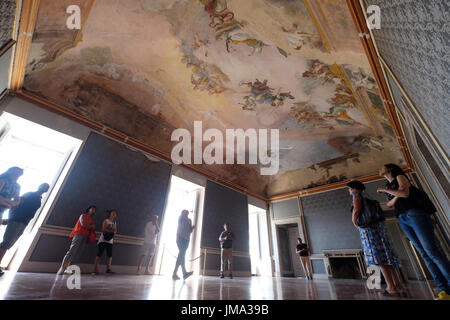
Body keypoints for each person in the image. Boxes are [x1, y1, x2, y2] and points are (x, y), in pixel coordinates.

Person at [377, 164, 450, 300]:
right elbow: (389, 204)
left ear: (390, 169)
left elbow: (405, 193)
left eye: (382, 167)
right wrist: (396, 194)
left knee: (432, 252)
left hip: (414, 214)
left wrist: (388, 191)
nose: (379, 169)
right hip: (402, 218)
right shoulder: (388, 185)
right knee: (424, 254)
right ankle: (443, 289)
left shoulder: (400, 176)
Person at [348, 180, 404, 296]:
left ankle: (390, 287)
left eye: (349, 188)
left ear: (353, 188)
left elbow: (357, 209)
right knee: (387, 258)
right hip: (379, 230)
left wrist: (355, 222)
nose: (349, 191)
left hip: (369, 232)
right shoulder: (368, 196)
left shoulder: (356, 195)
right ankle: (397, 285)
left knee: (379, 259)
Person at [0, 183, 49, 276]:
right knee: (6, 243)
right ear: (39, 186)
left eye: (46, 188)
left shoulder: (39, 199)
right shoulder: (29, 194)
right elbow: (16, 204)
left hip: (24, 222)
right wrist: (11, 218)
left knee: (8, 244)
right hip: (17, 220)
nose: (44, 188)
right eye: (43, 186)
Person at [57, 205, 96, 275]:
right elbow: (83, 224)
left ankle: (69, 269)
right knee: (72, 250)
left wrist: (89, 226)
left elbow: (93, 227)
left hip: (86, 236)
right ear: (88, 209)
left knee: (78, 253)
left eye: (94, 209)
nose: (93, 210)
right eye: (92, 208)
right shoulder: (83, 215)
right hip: (79, 234)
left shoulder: (91, 219)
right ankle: (62, 267)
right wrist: (90, 226)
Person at [93, 209, 117, 275]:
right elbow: (103, 229)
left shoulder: (114, 223)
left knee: (110, 255)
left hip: (110, 241)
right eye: (113, 212)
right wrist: (111, 230)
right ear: (110, 213)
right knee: (99, 254)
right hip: (103, 240)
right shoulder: (106, 221)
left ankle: (108, 269)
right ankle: (95, 269)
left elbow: (115, 231)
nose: (114, 214)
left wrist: (109, 230)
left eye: (115, 213)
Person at [172, 209, 194, 280]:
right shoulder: (181, 217)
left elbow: (190, 230)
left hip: (187, 239)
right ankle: (182, 273)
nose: (187, 213)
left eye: (187, 212)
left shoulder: (190, 220)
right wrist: (177, 237)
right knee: (181, 254)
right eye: (185, 212)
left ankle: (177, 274)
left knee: (181, 255)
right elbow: (179, 225)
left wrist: (192, 228)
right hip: (180, 237)